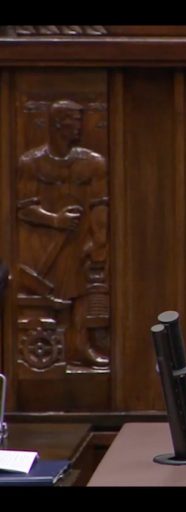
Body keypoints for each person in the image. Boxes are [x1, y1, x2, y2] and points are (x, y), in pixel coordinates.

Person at [17, 99, 109, 368]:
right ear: (57, 124)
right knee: (46, 299)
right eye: (73, 121)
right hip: (42, 244)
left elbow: (100, 204)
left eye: (81, 121)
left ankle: (79, 346)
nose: (79, 127)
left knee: (81, 294)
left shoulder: (93, 162)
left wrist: (99, 240)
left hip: (79, 240)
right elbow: (23, 208)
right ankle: (46, 354)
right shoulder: (31, 163)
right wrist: (55, 219)